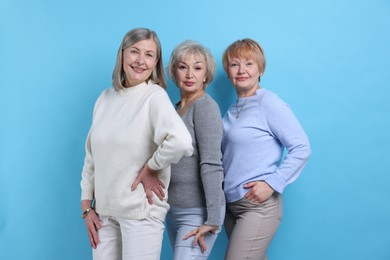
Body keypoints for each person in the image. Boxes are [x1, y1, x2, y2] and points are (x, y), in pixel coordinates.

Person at [79, 28, 193, 260]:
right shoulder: (105, 98)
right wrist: (87, 207)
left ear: (156, 62)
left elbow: (181, 142)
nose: (141, 61)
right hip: (104, 214)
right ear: (122, 54)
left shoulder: (154, 96)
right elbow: (92, 157)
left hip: (141, 213)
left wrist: (151, 167)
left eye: (149, 55)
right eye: (134, 52)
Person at [221, 38, 311, 260]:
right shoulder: (233, 109)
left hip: (257, 207)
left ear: (260, 69)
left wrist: (272, 183)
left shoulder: (268, 102)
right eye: (235, 64)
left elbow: (301, 147)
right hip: (231, 207)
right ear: (228, 70)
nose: (242, 70)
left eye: (249, 63)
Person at [165, 40, 225, 259]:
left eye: (197, 68)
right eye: (183, 67)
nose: (190, 74)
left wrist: (213, 218)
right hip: (173, 211)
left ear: (206, 74)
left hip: (198, 212)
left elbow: (211, 164)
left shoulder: (205, 107)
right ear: (174, 72)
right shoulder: (175, 109)